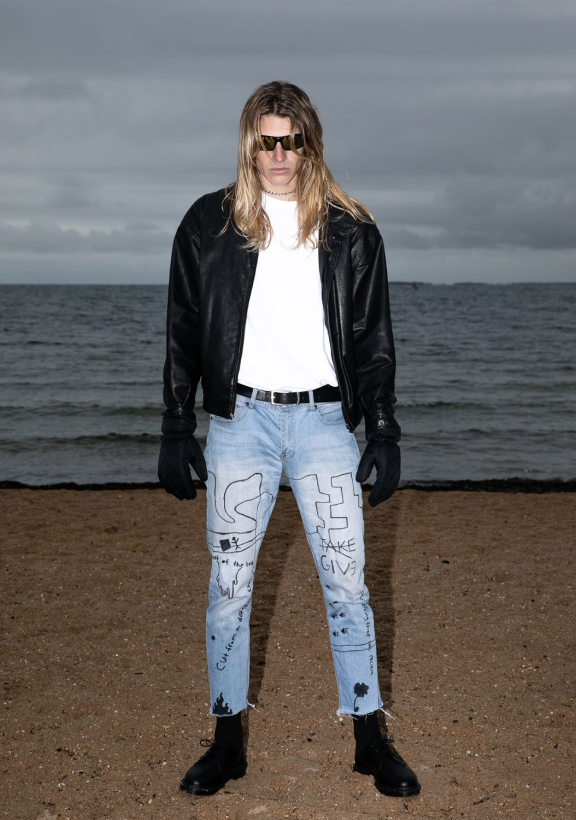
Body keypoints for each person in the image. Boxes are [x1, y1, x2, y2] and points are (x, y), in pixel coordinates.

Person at [158, 80, 420, 800]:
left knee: (347, 585)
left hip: (325, 425)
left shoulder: (351, 231)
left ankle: (369, 738)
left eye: (291, 141)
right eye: (267, 141)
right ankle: (226, 741)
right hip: (239, 424)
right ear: (250, 144)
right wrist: (176, 422)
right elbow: (183, 328)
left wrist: (384, 428)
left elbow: (373, 340)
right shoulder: (207, 224)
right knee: (229, 589)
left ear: (310, 144)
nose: (279, 154)